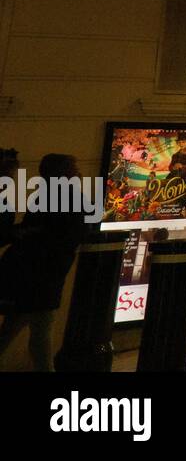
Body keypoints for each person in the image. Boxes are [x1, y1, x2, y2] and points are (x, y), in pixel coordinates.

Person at [0, 154, 88, 371]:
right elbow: (67, 236)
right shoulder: (70, 199)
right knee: (40, 329)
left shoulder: (44, 196)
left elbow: (35, 231)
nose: (77, 172)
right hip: (45, 275)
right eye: (73, 168)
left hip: (31, 272)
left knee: (20, 324)